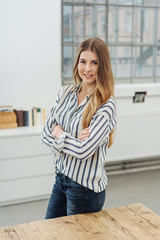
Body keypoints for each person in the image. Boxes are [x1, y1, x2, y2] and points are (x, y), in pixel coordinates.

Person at [41, 37, 117, 219]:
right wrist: (71, 139)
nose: (87, 68)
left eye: (94, 63)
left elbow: (84, 151)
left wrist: (59, 134)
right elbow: (45, 134)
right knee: (49, 231)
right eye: (83, 61)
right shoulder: (65, 93)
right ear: (77, 63)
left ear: (102, 66)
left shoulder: (106, 105)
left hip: (84, 189)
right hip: (60, 179)